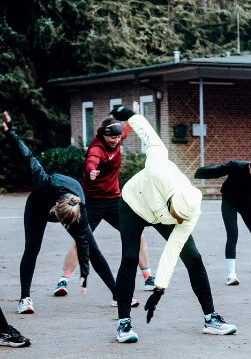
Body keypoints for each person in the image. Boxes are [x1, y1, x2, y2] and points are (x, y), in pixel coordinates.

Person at [109, 103, 236, 343]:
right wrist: (131, 116)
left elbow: (172, 251)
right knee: (130, 257)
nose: (179, 221)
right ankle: (123, 323)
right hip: (134, 203)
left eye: (181, 219)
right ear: (170, 202)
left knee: (194, 258)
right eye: (176, 215)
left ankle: (210, 318)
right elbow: (150, 137)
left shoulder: (190, 210)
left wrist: (159, 289)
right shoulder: (158, 166)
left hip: (159, 214)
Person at [4, 111, 133, 316]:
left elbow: (90, 253)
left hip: (70, 208)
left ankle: (117, 295)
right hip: (37, 208)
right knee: (32, 249)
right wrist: (10, 132)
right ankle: (24, 298)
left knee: (94, 250)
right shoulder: (45, 182)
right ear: (56, 209)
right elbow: (27, 155)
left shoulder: (79, 209)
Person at [57, 118, 155, 296]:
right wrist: (91, 171)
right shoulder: (96, 149)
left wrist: (134, 114)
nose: (116, 141)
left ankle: (148, 277)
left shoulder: (117, 136)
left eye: (118, 138)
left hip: (114, 200)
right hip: (93, 202)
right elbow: (91, 161)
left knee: (137, 233)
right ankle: (63, 280)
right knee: (81, 239)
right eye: (112, 138)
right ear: (104, 135)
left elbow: (127, 127)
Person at [194, 153, 251, 285]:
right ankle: (231, 275)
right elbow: (218, 170)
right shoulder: (236, 166)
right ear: (250, 166)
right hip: (229, 202)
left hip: (247, 204)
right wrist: (198, 173)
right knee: (232, 235)